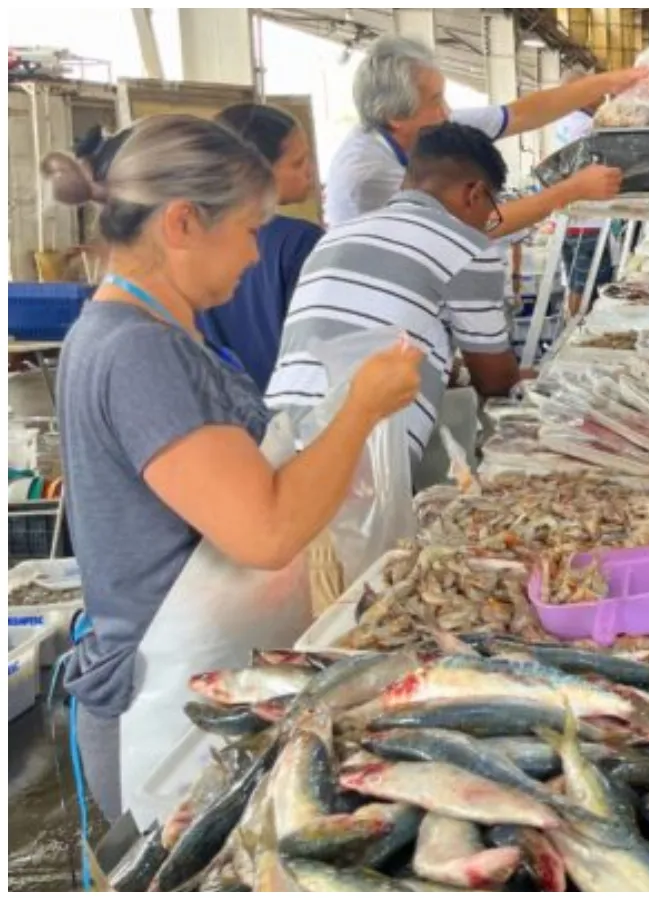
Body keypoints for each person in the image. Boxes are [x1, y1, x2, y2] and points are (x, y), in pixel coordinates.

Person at [44, 115, 422, 820]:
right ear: (183, 222)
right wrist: (362, 407)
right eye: (249, 229)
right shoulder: (139, 353)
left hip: (210, 680)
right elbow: (265, 530)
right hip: (172, 708)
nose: (255, 254)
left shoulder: (149, 333)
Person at [267, 122, 517, 479]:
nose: (486, 222)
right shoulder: (466, 246)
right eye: (491, 209)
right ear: (474, 193)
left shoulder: (336, 236)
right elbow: (495, 381)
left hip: (275, 446)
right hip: (360, 461)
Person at [324, 35, 638, 230]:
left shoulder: (427, 126)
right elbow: (477, 224)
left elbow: (522, 114)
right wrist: (571, 190)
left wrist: (609, 82)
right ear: (395, 116)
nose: (447, 111)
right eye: (435, 100)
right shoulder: (366, 176)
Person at [198, 104, 324, 391]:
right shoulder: (300, 242)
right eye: (298, 163)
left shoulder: (195, 240)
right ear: (258, 172)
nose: (310, 170)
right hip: (287, 404)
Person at [553, 69, 614, 315]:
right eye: (596, 90)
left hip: (570, 220)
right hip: (590, 222)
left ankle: (572, 326)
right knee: (589, 288)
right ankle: (579, 329)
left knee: (575, 284)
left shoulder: (563, 124)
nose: (601, 96)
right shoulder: (588, 126)